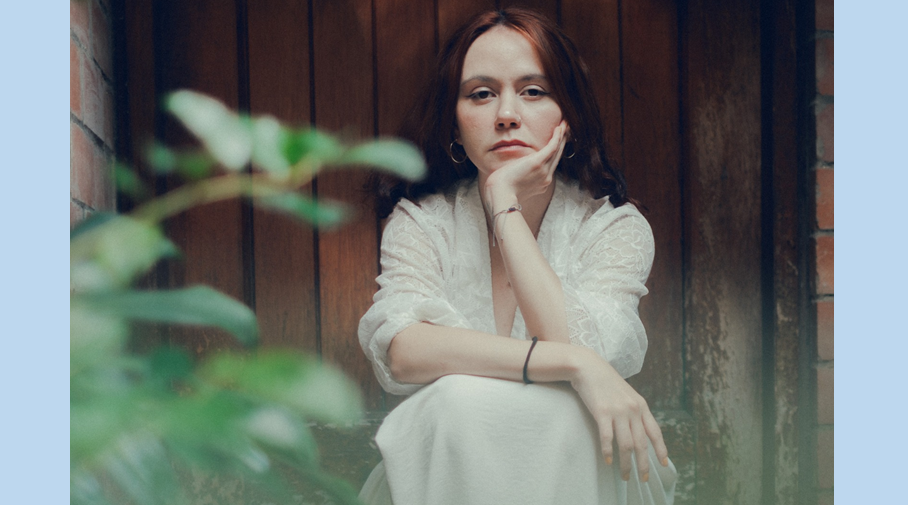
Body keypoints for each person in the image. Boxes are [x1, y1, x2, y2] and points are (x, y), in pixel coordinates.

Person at [358, 8, 677, 505]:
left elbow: (580, 340)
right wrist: (574, 364)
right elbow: (403, 350)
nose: (506, 114)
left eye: (533, 91)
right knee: (455, 403)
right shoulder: (424, 221)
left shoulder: (612, 227)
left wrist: (504, 206)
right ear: (454, 122)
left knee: (562, 414)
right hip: (455, 470)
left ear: (568, 114)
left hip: (579, 463)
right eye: (481, 94)